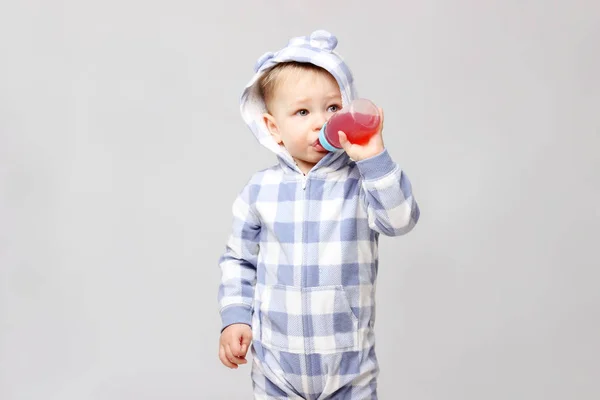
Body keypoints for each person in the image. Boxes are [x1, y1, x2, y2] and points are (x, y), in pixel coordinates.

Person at [217, 29, 420, 399]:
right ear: (273, 128)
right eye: (302, 111)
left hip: (348, 367)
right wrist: (235, 318)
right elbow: (238, 260)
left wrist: (374, 158)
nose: (321, 122)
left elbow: (401, 219)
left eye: (333, 108)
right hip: (276, 367)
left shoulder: (362, 180)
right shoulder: (259, 190)